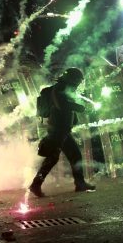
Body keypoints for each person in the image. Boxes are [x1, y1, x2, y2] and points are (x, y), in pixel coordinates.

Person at [29, 67, 96, 197]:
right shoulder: (59, 89)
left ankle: (79, 183)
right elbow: (61, 105)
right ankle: (36, 185)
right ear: (72, 79)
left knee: (68, 156)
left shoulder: (63, 88)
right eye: (77, 80)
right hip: (58, 130)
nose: (77, 84)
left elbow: (66, 107)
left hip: (61, 130)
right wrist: (79, 108)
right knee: (55, 158)